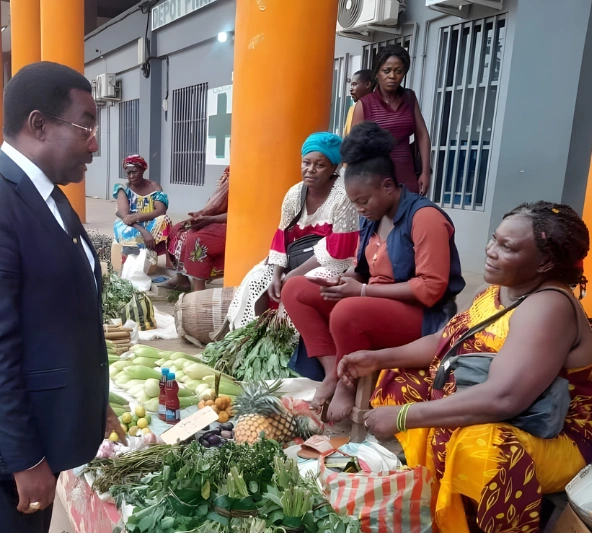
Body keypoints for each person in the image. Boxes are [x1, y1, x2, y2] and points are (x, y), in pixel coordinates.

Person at [0, 61, 125, 533]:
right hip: (3, 445)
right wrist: (25, 460)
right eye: (87, 126)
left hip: (46, 418)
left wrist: (93, 402)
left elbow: (62, 316)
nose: (95, 144)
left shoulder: (49, 197)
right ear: (38, 124)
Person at [341, 201, 592, 533]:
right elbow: (445, 343)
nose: (491, 250)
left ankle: (477, 523)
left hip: (554, 432)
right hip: (500, 401)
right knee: (397, 380)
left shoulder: (548, 307)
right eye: (494, 238)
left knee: (482, 444)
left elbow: (504, 399)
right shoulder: (497, 291)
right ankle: (432, 494)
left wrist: (404, 416)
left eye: (507, 247)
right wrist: (377, 358)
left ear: (545, 262)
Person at [282, 122, 464, 422]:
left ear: (388, 186)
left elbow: (430, 289)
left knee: (348, 310)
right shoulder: (373, 218)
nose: (360, 210)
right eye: (354, 203)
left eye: (363, 201)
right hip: (375, 303)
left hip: (422, 316)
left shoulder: (425, 218)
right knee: (297, 288)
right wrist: (345, 281)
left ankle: (346, 382)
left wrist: (362, 290)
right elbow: (364, 273)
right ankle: (332, 372)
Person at [227, 132, 360, 330]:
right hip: (294, 260)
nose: (310, 170)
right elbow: (282, 236)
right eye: (306, 163)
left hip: (334, 263)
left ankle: (288, 342)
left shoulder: (343, 196)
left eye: (320, 165)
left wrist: (293, 276)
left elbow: (339, 250)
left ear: (334, 167)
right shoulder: (294, 193)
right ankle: (254, 335)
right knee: (256, 278)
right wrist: (276, 274)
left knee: (306, 284)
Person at [352, 45, 431, 195]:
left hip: (407, 175)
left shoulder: (410, 98)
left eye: (398, 71)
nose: (392, 76)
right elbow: (355, 148)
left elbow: (422, 135)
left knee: (407, 216)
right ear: (377, 73)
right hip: (376, 178)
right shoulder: (365, 104)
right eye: (386, 71)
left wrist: (425, 173)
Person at [161, 166, 230, 292]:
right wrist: (202, 214)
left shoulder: (247, 178)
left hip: (237, 225)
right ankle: (181, 279)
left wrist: (209, 219)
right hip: (219, 219)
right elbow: (216, 205)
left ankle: (199, 292)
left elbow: (239, 213)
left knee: (197, 240)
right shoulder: (230, 174)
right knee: (179, 229)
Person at [112, 155, 172, 256]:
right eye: (128, 173)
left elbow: (161, 210)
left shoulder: (154, 187)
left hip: (149, 222)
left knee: (164, 220)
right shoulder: (123, 189)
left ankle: (166, 257)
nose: (131, 176)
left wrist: (137, 216)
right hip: (131, 225)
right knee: (127, 230)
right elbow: (126, 217)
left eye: (134, 172)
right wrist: (143, 231)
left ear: (142, 170)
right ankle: (134, 254)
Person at [343, 69, 374, 136]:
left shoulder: (377, 110)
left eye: (354, 84)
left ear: (368, 84)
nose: (351, 89)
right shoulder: (352, 109)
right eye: (351, 85)